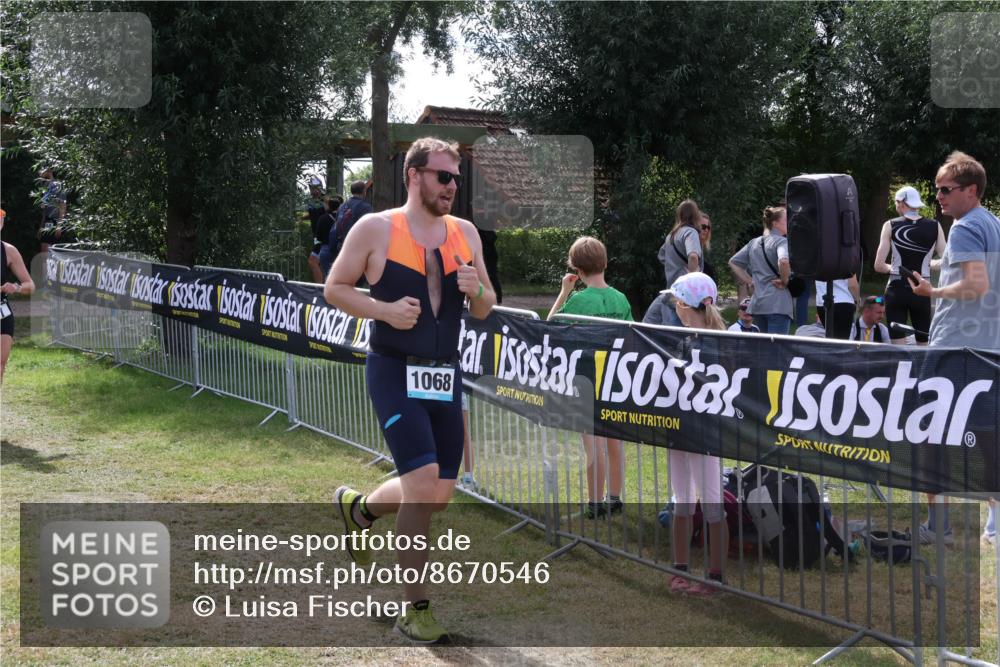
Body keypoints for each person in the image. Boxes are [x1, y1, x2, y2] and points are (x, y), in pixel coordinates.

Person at [324, 137, 496, 644]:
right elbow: (335, 287)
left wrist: (477, 290)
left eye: (456, 178)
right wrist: (383, 310)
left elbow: (486, 304)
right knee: (421, 484)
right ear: (414, 175)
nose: (452, 186)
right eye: (443, 176)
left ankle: (359, 509)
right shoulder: (376, 228)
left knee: (439, 495)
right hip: (394, 370)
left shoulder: (465, 233)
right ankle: (416, 609)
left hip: (444, 373)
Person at [911, 151, 1000, 546]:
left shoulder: (964, 227)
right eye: (937, 190)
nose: (939, 197)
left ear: (971, 190)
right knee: (987, 438)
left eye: (946, 190)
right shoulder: (992, 223)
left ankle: (938, 525)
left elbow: (976, 284)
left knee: (931, 436)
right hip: (987, 347)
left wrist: (932, 291)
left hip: (954, 349)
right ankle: (994, 523)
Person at [548, 236, 632, 518]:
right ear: (605, 263)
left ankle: (595, 503)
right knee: (614, 441)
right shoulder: (620, 298)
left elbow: (549, 326)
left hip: (588, 380)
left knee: (593, 444)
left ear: (577, 269)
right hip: (616, 380)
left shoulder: (578, 300)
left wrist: (564, 292)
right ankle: (615, 497)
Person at [663, 271, 727, 596]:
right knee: (682, 502)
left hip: (706, 437)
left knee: (712, 504)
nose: (674, 306)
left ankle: (715, 576)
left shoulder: (720, 344)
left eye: (676, 301)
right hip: (679, 433)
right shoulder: (682, 341)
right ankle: (680, 569)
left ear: (685, 306)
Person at [874, 186, 945, 346]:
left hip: (896, 289)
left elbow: (878, 266)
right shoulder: (935, 226)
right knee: (923, 345)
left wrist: (895, 268)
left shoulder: (890, 225)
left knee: (898, 347)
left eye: (896, 203)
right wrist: (927, 265)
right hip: (922, 289)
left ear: (901, 202)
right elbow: (946, 262)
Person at [729, 205, 793, 334]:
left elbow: (733, 262)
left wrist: (750, 281)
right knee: (777, 346)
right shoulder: (781, 242)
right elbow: (783, 261)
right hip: (778, 303)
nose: (790, 222)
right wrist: (785, 280)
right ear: (775, 223)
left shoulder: (753, 243)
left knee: (764, 345)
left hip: (758, 303)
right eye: (786, 219)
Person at [2, 209, 37, 382]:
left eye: (1, 217)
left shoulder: (8, 251)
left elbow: (30, 285)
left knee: (0, 363)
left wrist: (15, 287)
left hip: (2, 312)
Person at [657, 200, 704, 326]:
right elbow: (693, 256)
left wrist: (674, 265)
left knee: (672, 335)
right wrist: (693, 277)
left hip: (672, 291)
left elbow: (661, 256)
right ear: (695, 215)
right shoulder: (690, 232)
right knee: (688, 334)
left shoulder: (671, 235)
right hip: (686, 296)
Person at [814, 275, 861, 340]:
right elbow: (852, 285)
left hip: (821, 301)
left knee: (830, 337)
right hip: (843, 301)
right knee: (841, 340)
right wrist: (857, 299)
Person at [37, 167, 68, 252]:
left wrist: (59, 226)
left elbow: (63, 205)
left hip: (55, 222)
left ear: (49, 170)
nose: (40, 172)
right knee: (44, 249)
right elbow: (45, 209)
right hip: (47, 222)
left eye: (42, 169)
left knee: (47, 250)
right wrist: (41, 227)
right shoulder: (45, 187)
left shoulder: (58, 185)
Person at [316, 195, 344, 278]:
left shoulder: (322, 218)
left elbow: (318, 236)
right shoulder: (343, 218)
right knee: (340, 277)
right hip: (340, 249)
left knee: (328, 277)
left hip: (326, 249)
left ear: (329, 206)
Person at [305, 176, 327, 283]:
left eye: (316, 188)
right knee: (317, 262)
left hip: (325, 237)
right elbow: (313, 215)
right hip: (316, 236)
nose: (314, 191)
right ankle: (321, 286)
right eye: (312, 188)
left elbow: (330, 213)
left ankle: (319, 287)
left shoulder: (325, 200)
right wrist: (300, 219)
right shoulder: (310, 202)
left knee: (313, 261)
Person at [699, 213, 716, 283]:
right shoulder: (691, 243)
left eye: (708, 227)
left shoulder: (701, 245)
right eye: (703, 227)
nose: (706, 230)